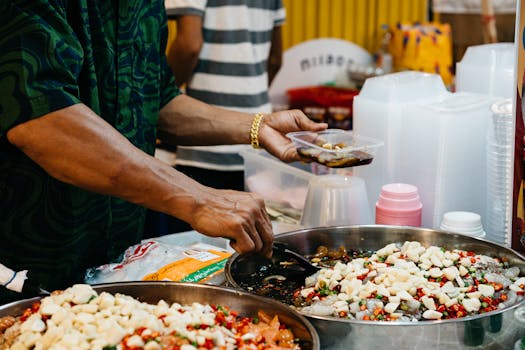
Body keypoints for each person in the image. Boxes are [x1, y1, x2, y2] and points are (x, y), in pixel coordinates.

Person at [0, 1, 326, 303]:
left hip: (115, 262)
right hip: (24, 266)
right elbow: (42, 119)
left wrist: (258, 126)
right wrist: (198, 198)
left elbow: (156, 99)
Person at [165, 0, 285, 191]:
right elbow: (275, 60)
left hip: (203, 139)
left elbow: (189, 47)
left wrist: (160, 98)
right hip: (260, 139)